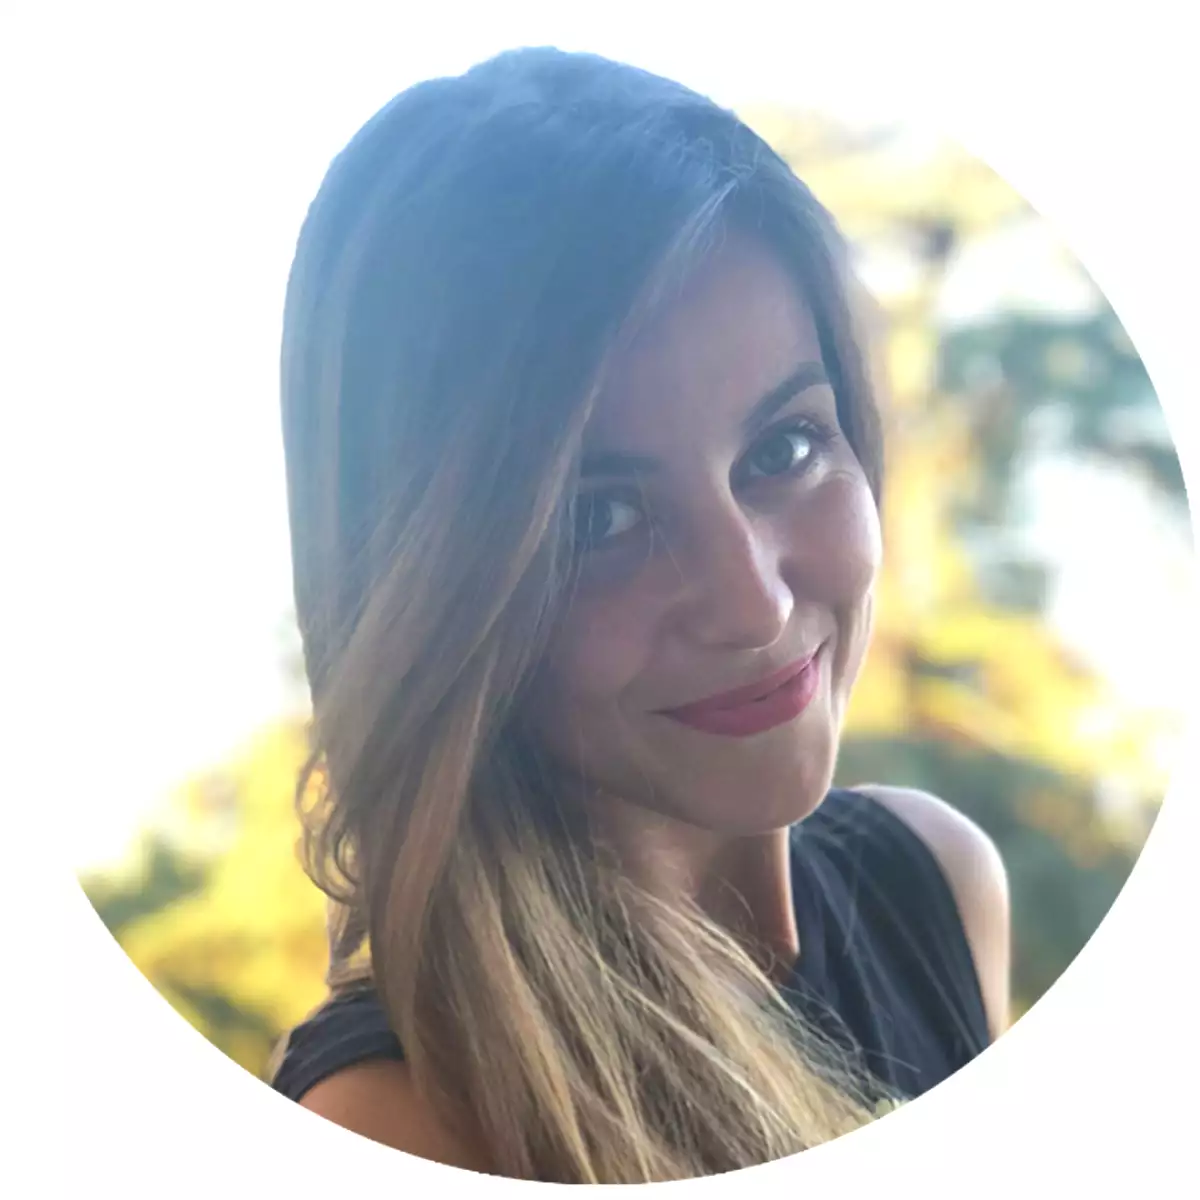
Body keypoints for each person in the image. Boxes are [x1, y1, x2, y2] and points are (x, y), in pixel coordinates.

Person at [269, 46, 1010, 1183]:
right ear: (434, 598)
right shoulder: (406, 1120)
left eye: (785, 447)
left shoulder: (937, 883)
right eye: (596, 519)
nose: (751, 602)